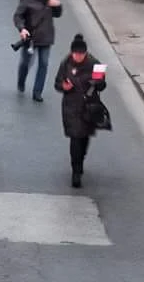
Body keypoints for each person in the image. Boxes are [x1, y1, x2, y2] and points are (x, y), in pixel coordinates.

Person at [54, 33, 107, 188]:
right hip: (71, 107)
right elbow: (57, 83)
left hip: (88, 107)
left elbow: (103, 85)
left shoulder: (94, 64)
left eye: (81, 54)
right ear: (72, 53)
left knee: (84, 138)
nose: (78, 57)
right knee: (75, 138)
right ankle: (76, 171)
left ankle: (81, 159)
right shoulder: (66, 63)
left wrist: (97, 83)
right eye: (76, 54)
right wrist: (64, 87)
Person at [13, 0, 62, 102]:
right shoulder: (26, 0)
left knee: (44, 64)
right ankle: (21, 80)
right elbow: (18, 16)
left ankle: (37, 91)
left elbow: (57, 14)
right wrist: (22, 29)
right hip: (31, 38)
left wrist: (57, 6)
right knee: (26, 63)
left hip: (46, 36)